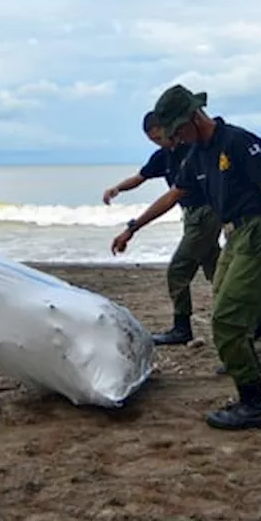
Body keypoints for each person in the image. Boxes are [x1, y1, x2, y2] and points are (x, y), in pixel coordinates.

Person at [112, 85, 261, 431]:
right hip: (235, 235)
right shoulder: (196, 154)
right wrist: (132, 227)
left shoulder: (239, 143)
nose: (176, 139)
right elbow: (172, 196)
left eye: (179, 130)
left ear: (196, 117)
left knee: (226, 321)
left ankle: (254, 404)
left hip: (260, 234)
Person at [102, 111, 221, 345]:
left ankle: (182, 328)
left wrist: (132, 228)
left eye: (160, 137)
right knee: (216, 269)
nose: (161, 142)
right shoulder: (163, 155)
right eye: (154, 140)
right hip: (191, 217)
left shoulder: (192, 150)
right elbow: (140, 177)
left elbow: (171, 197)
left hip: (205, 214)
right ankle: (258, 321)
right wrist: (117, 188)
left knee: (178, 270)